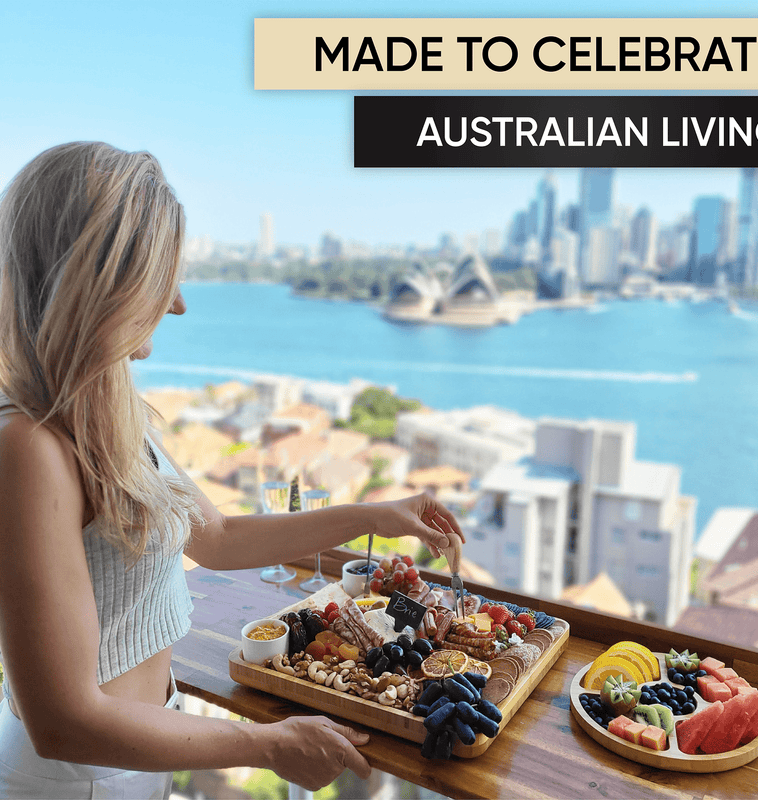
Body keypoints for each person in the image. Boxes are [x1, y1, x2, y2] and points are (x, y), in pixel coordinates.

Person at [0, 141, 464, 799]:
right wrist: (265, 745)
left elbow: (216, 538)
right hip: (73, 781)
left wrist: (374, 514)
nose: (180, 302)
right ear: (100, 280)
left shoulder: (107, 403)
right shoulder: (28, 444)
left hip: (137, 754)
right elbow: (62, 721)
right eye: (162, 276)